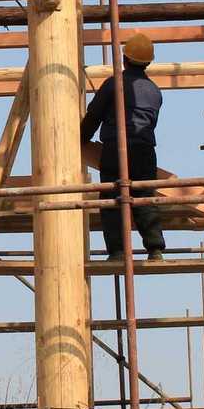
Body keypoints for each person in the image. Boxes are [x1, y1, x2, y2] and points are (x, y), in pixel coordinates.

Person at [80, 31, 166, 262]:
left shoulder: (113, 84)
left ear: (124, 58)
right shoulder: (155, 91)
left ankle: (117, 251)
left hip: (117, 149)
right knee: (145, 197)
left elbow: (94, 115)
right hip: (145, 150)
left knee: (112, 198)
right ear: (148, 61)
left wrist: (80, 137)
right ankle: (155, 249)